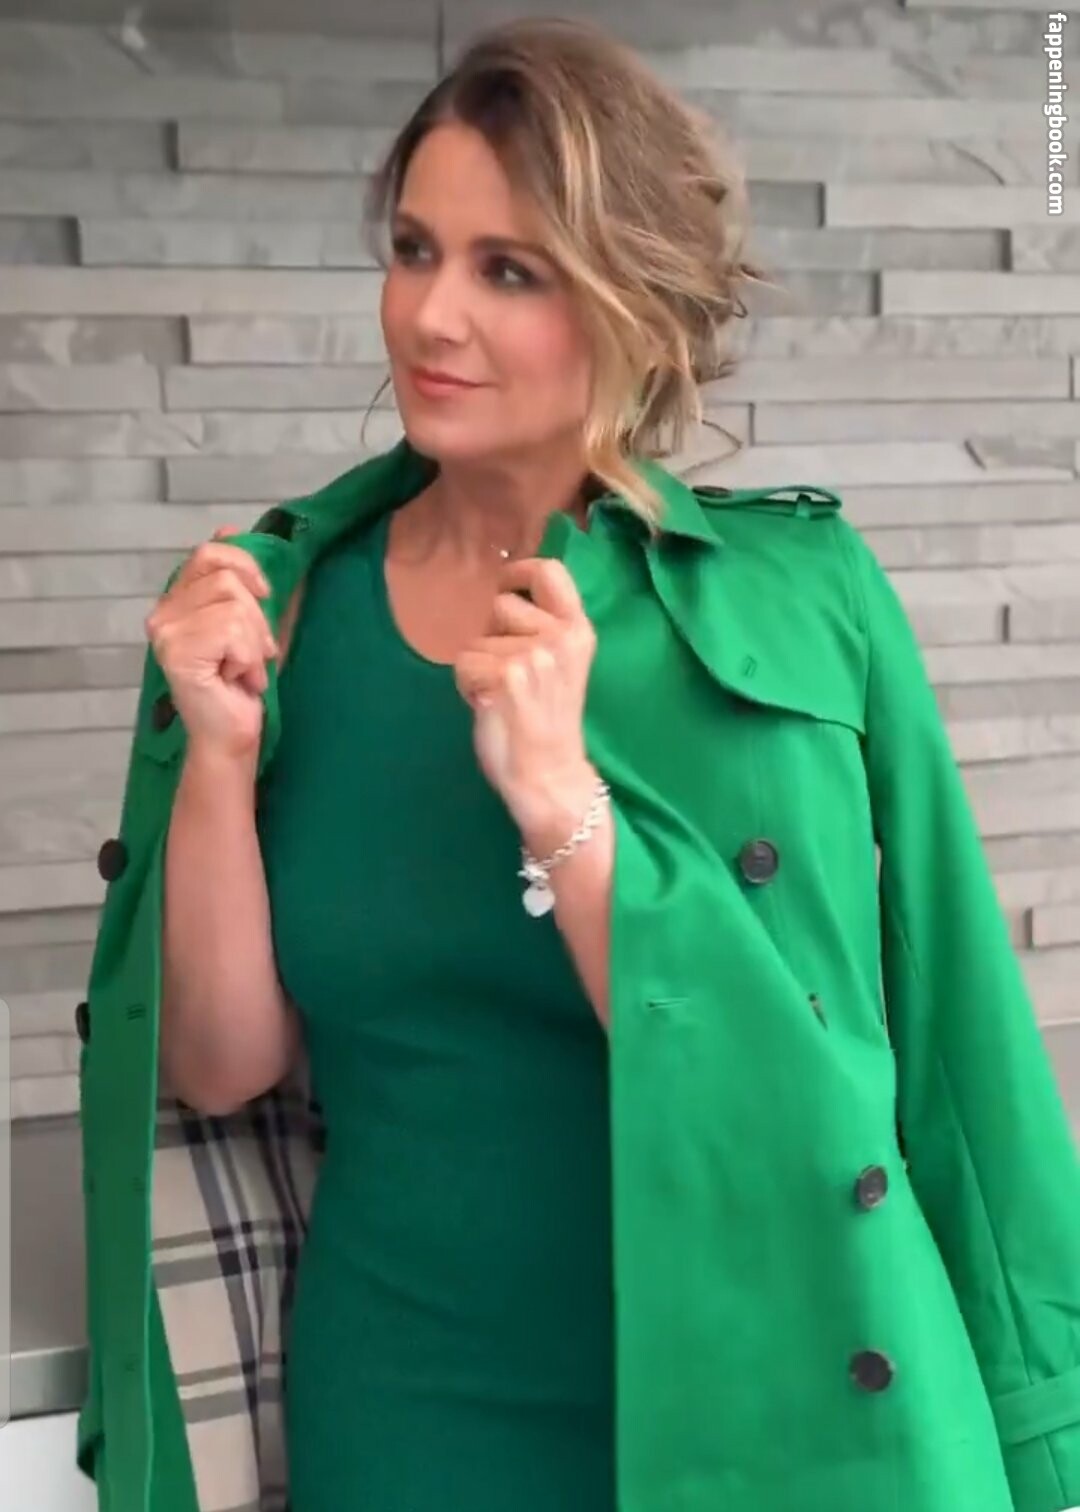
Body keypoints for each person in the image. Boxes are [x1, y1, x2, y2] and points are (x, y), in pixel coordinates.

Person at [75, 17, 1080, 1512]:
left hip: (773, 1399)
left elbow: (931, 1064)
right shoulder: (279, 612)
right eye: (414, 250)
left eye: (510, 271)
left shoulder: (803, 609)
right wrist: (217, 762)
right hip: (408, 1410)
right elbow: (224, 1066)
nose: (432, 316)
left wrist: (566, 807)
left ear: (634, 305)